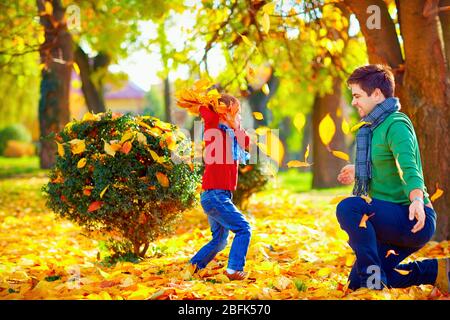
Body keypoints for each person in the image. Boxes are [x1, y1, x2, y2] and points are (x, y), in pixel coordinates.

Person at [336, 64, 449, 291]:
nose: (353, 102)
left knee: (349, 208)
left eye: (357, 95)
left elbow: (408, 167)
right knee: (355, 283)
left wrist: (417, 198)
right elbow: (384, 165)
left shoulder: (396, 124)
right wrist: (360, 170)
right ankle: (437, 271)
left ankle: (372, 283)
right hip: (388, 219)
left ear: (377, 94)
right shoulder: (372, 128)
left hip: (412, 217)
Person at [189, 93, 252, 281]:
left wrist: (235, 124)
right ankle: (233, 269)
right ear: (223, 113)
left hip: (219, 195)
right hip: (215, 194)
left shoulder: (233, 133)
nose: (238, 116)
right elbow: (206, 112)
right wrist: (214, 104)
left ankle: (193, 267)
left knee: (219, 241)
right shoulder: (213, 127)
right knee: (243, 228)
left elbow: (247, 143)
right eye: (235, 112)